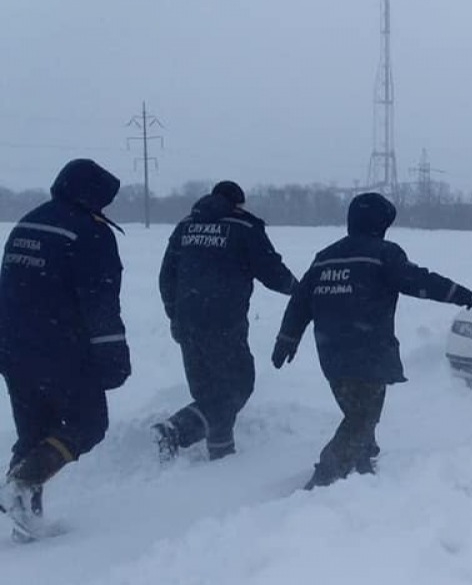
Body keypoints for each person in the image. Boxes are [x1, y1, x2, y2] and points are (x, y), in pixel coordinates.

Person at [271, 192, 472, 490]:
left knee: (358, 414)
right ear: (379, 224)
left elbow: (300, 304)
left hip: (331, 353)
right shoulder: (383, 254)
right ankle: (324, 480)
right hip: (368, 353)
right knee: (361, 419)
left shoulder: (325, 257)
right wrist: (459, 293)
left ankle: (361, 471)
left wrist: (286, 339)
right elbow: (418, 281)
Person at [0, 159, 131, 538]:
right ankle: (21, 488)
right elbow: (100, 300)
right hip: (61, 348)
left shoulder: (29, 222)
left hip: (13, 345)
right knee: (88, 424)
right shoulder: (88, 233)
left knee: (35, 433)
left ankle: (27, 524)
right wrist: (113, 356)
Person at [154, 180, 297, 461]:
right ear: (238, 204)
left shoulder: (186, 226)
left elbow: (166, 277)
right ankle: (177, 430)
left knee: (208, 390)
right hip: (223, 322)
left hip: (187, 322)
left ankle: (221, 455)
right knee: (237, 386)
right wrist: (300, 290)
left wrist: (175, 315)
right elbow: (272, 271)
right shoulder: (243, 227)